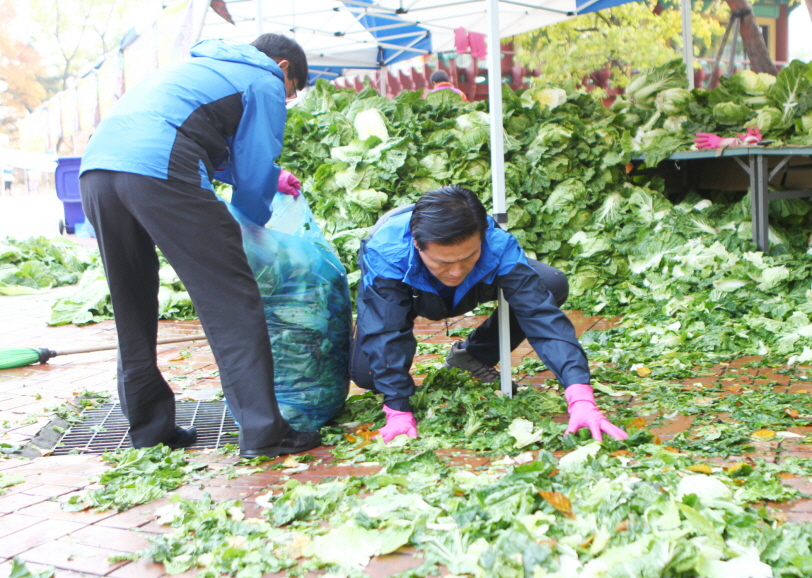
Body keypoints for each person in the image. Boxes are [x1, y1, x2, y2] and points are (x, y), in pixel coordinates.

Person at [78, 34, 321, 459]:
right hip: (159, 165)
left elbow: (202, 136)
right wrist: (252, 226)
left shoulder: (201, 66)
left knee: (131, 299)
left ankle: (150, 429)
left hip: (98, 170)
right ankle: (266, 431)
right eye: (292, 91)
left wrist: (268, 177)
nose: (286, 99)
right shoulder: (263, 79)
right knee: (231, 299)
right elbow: (254, 162)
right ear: (284, 67)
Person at [351, 185, 628, 443]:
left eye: (468, 257)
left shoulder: (497, 243)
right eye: (444, 262)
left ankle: (471, 356)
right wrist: (398, 407)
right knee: (369, 376)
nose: (457, 272)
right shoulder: (385, 251)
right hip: (408, 297)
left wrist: (580, 397)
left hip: (473, 291)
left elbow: (541, 316)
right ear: (417, 244)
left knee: (549, 284)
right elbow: (386, 328)